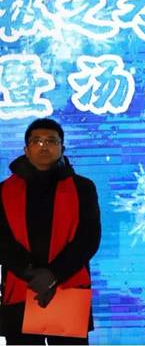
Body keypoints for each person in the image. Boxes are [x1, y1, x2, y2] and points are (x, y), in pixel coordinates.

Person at [0, 118, 101, 345]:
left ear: (62, 148)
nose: (43, 146)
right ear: (26, 149)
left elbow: (89, 238)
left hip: (68, 286)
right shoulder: (4, 190)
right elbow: (2, 242)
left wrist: (53, 275)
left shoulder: (83, 187)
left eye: (51, 141)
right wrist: (32, 275)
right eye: (36, 141)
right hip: (21, 286)